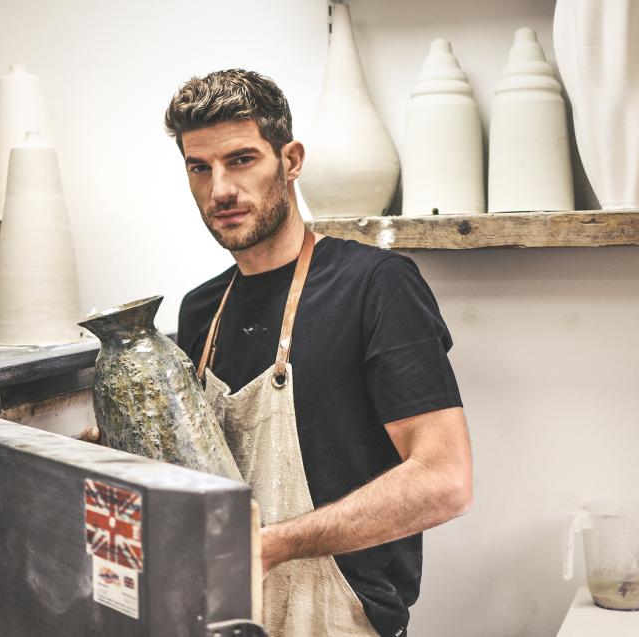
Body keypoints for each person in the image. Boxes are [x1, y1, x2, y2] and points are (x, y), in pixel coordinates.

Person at [166, 69, 472, 637]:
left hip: (338, 622)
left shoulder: (376, 285)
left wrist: (272, 546)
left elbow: (444, 480)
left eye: (241, 160)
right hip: (224, 619)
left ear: (291, 160)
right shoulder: (199, 311)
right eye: (199, 167)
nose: (220, 190)